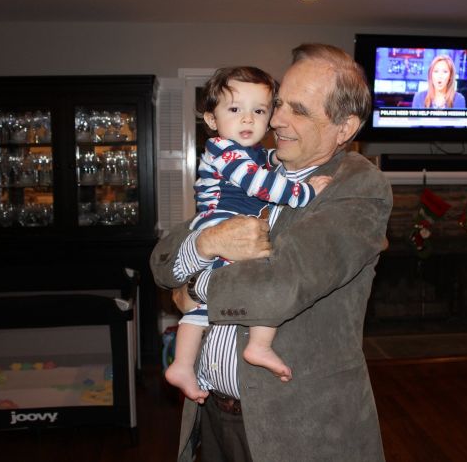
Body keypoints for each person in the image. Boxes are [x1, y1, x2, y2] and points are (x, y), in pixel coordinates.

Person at [150, 43, 393, 462]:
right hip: (210, 409)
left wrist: (195, 289)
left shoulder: (358, 187)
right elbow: (163, 259)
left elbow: (281, 286)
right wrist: (206, 244)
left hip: (295, 428)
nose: (275, 119)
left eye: (299, 110)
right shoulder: (252, 165)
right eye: (279, 103)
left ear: (344, 127)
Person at [165, 66, 332, 404]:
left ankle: (182, 365)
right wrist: (306, 192)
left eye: (258, 111)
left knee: (202, 306)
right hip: (222, 224)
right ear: (211, 119)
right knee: (263, 273)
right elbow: (261, 185)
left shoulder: (249, 153)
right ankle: (259, 344)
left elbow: (267, 161)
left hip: (223, 224)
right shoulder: (224, 151)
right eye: (234, 109)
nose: (247, 119)